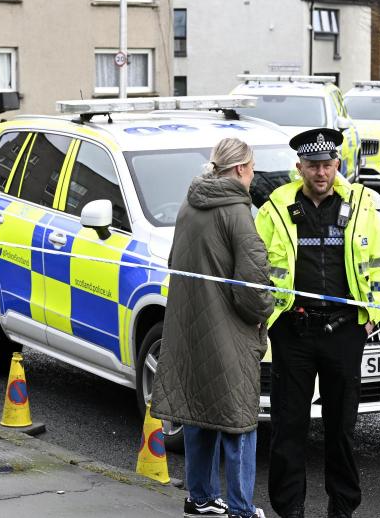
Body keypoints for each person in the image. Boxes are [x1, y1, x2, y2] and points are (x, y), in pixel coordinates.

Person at [254, 128, 380, 518]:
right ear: (299, 168)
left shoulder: (361, 206)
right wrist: (269, 316)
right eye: (313, 166)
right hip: (293, 331)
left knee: (342, 429)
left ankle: (343, 509)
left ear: (337, 165)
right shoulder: (277, 209)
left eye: (327, 165)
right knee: (289, 426)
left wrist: (373, 318)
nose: (321, 173)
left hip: (345, 331)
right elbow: (256, 267)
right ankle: (290, 510)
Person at [151, 138, 275, 518]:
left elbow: (176, 260)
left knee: (197, 413)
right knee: (238, 419)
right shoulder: (237, 212)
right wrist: (265, 312)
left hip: (189, 326)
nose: (253, 177)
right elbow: (252, 288)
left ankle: (200, 497)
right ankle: (240, 507)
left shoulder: (190, 204)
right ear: (239, 170)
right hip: (227, 333)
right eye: (252, 168)